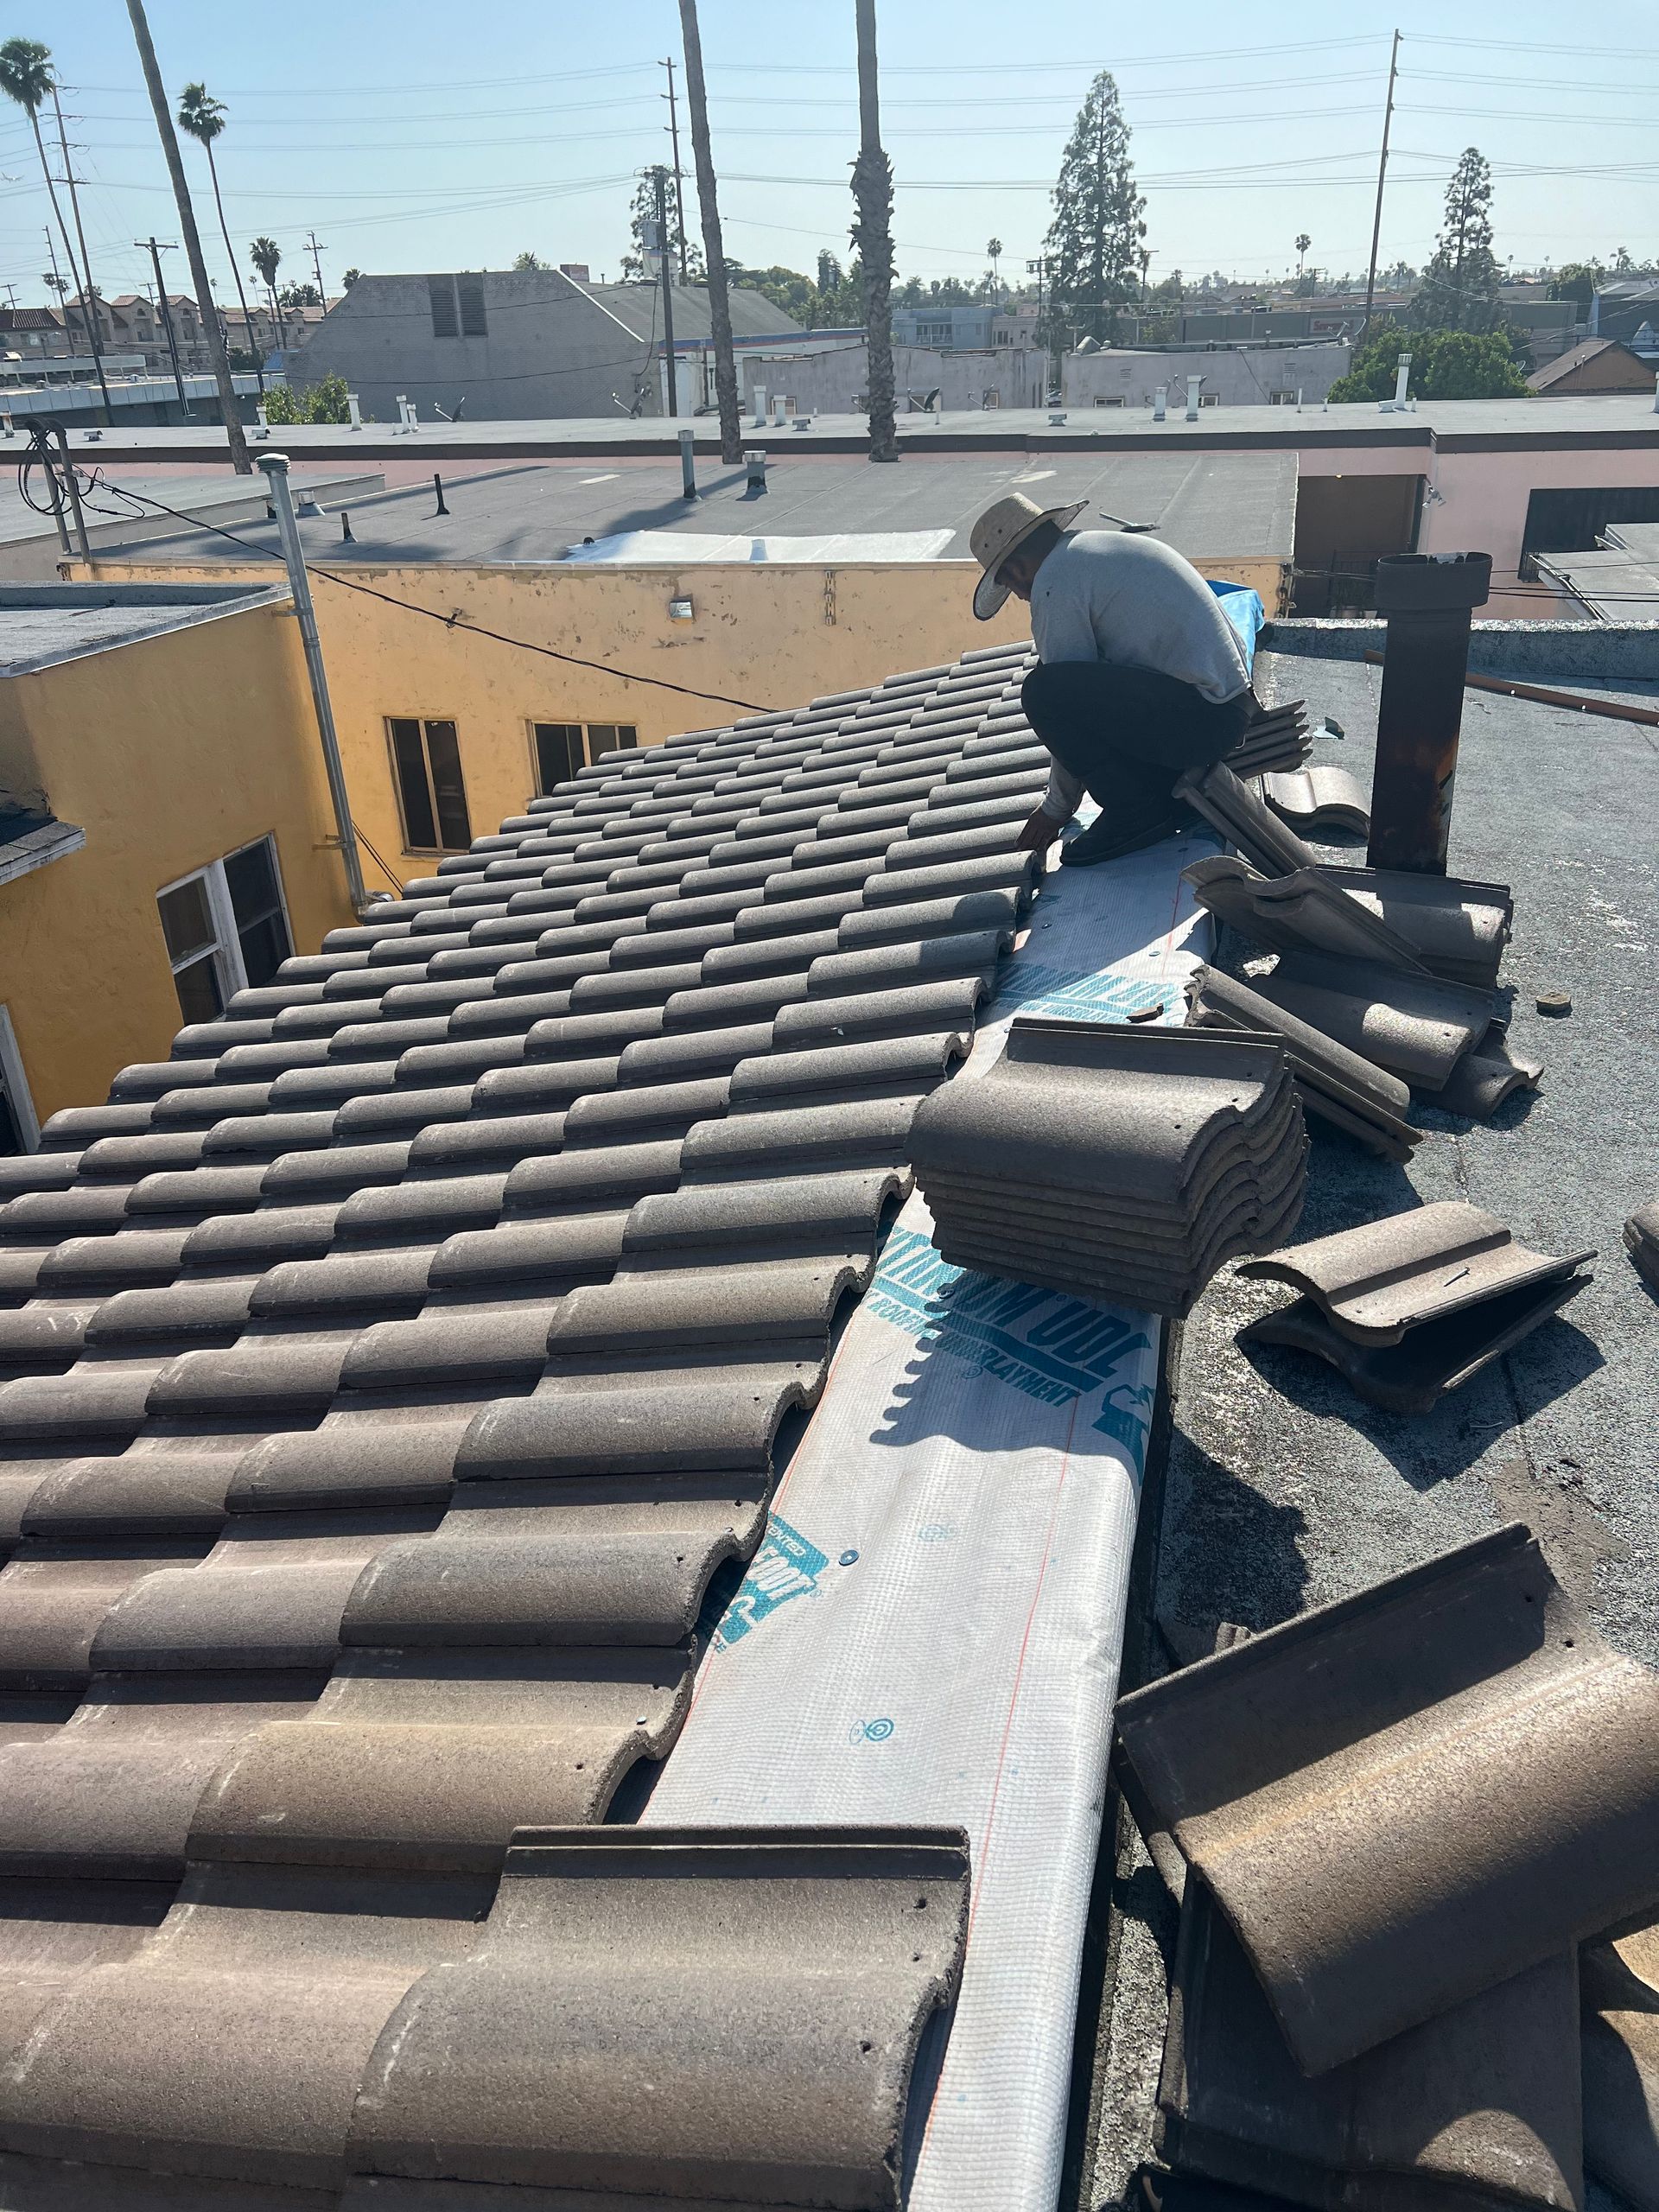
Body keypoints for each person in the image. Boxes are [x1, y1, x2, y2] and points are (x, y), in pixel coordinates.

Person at [969, 492, 1255, 867]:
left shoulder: (1057, 581)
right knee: (1054, 682)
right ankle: (1160, 796)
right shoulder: (1091, 551)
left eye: (1011, 584)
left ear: (1016, 569)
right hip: (1223, 711)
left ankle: (1134, 812)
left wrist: (1056, 809)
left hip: (1203, 722)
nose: (1021, 596)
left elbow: (1065, 702)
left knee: (1043, 690)